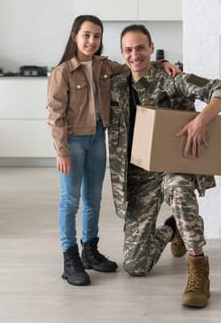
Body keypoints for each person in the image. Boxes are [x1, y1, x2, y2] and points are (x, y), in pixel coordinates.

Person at [47, 15, 180, 286]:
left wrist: (161, 63)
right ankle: (70, 258)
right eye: (86, 35)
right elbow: (55, 115)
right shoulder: (62, 72)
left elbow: (134, 65)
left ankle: (90, 251)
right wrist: (61, 151)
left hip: (98, 138)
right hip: (72, 142)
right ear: (75, 36)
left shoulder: (104, 66)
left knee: (93, 199)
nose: (91, 41)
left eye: (97, 36)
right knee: (70, 201)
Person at [107, 24, 221, 307]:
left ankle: (198, 268)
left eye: (141, 48)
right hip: (137, 178)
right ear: (121, 53)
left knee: (179, 189)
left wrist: (201, 121)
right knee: (135, 266)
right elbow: (89, 68)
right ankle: (170, 230)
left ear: (152, 48)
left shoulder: (171, 79)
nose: (135, 55)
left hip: (170, 168)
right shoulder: (115, 85)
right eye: (128, 49)